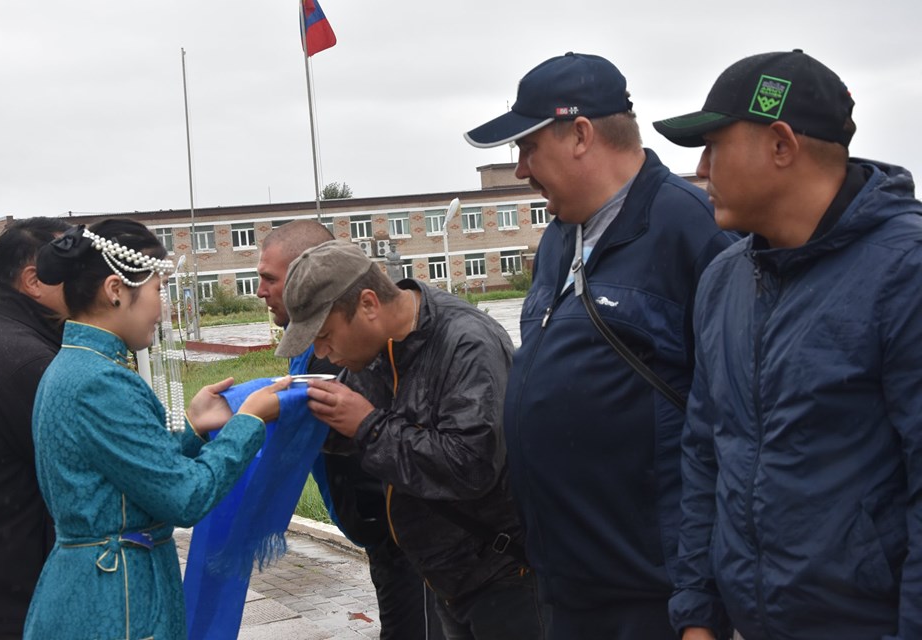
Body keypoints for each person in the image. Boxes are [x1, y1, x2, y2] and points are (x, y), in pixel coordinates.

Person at [653, 49, 922, 640]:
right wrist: (696, 610)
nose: (700, 168)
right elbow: (704, 451)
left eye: (714, 145)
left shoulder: (906, 272)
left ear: (781, 144)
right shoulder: (723, 279)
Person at [463, 52, 733, 639]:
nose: (520, 170)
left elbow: (730, 423)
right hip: (566, 581)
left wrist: (702, 601)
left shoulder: (695, 231)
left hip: (653, 591)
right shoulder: (560, 238)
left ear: (581, 134)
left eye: (529, 147)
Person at [22, 219, 288, 640]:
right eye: (158, 290)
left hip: (96, 584)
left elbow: (131, 475)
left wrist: (193, 429)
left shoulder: (79, 365)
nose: (163, 309)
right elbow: (185, 497)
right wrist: (248, 422)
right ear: (115, 290)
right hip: (117, 598)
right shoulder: (100, 381)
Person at [276, 240, 543, 640]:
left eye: (325, 335)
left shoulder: (466, 343)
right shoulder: (378, 347)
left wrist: (368, 425)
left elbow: (471, 465)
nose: (323, 353)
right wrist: (285, 410)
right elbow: (347, 427)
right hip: (445, 578)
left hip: (505, 577)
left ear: (368, 304)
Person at [257, 220, 440, 639]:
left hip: (402, 534)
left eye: (270, 278)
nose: (261, 291)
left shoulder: (351, 349)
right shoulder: (315, 345)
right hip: (379, 532)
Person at [0, 218, 70, 639]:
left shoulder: (2, 334)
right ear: (34, 280)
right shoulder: (23, 360)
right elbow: (99, 467)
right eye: (73, 268)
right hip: (3, 597)